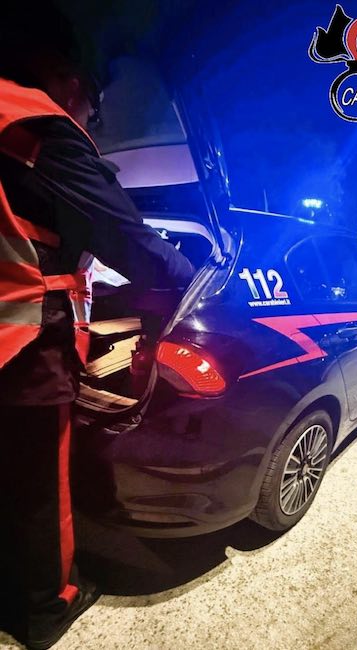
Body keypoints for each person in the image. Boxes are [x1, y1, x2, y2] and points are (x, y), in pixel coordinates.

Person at [0, 6, 195, 649]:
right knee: (38, 486)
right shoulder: (36, 124)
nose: (92, 120)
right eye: (94, 105)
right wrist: (196, 278)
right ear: (71, 81)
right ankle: (47, 606)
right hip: (21, 348)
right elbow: (128, 239)